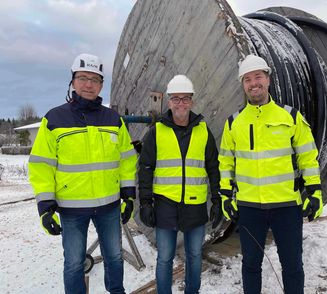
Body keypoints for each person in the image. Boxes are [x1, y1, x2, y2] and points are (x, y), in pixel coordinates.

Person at [28, 53, 137, 294]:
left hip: (109, 206)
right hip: (71, 210)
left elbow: (127, 161)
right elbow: (41, 165)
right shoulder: (54, 119)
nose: (89, 84)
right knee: (74, 264)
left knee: (115, 258)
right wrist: (45, 207)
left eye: (95, 79)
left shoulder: (113, 120)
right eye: (83, 78)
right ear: (73, 81)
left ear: (101, 85)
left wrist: (128, 195)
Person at [218, 54, 323, 294]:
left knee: (293, 265)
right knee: (251, 265)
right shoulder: (234, 123)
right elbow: (226, 162)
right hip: (249, 207)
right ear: (242, 85)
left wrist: (314, 192)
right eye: (247, 79)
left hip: (286, 207)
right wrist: (225, 195)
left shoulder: (291, 117)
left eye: (258, 77)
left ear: (268, 80)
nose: (253, 83)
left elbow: (308, 157)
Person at [138, 75, 222, 294]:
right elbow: (145, 168)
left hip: (195, 206)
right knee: (165, 257)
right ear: (169, 101)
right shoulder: (157, 132)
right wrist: (146, 203)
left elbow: (213, 167)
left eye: (185, 99)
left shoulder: (203, 131)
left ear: (192, 101)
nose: (181, 103)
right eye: (176, 99)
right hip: (165, 205)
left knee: (194, 255)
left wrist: (217, 200)